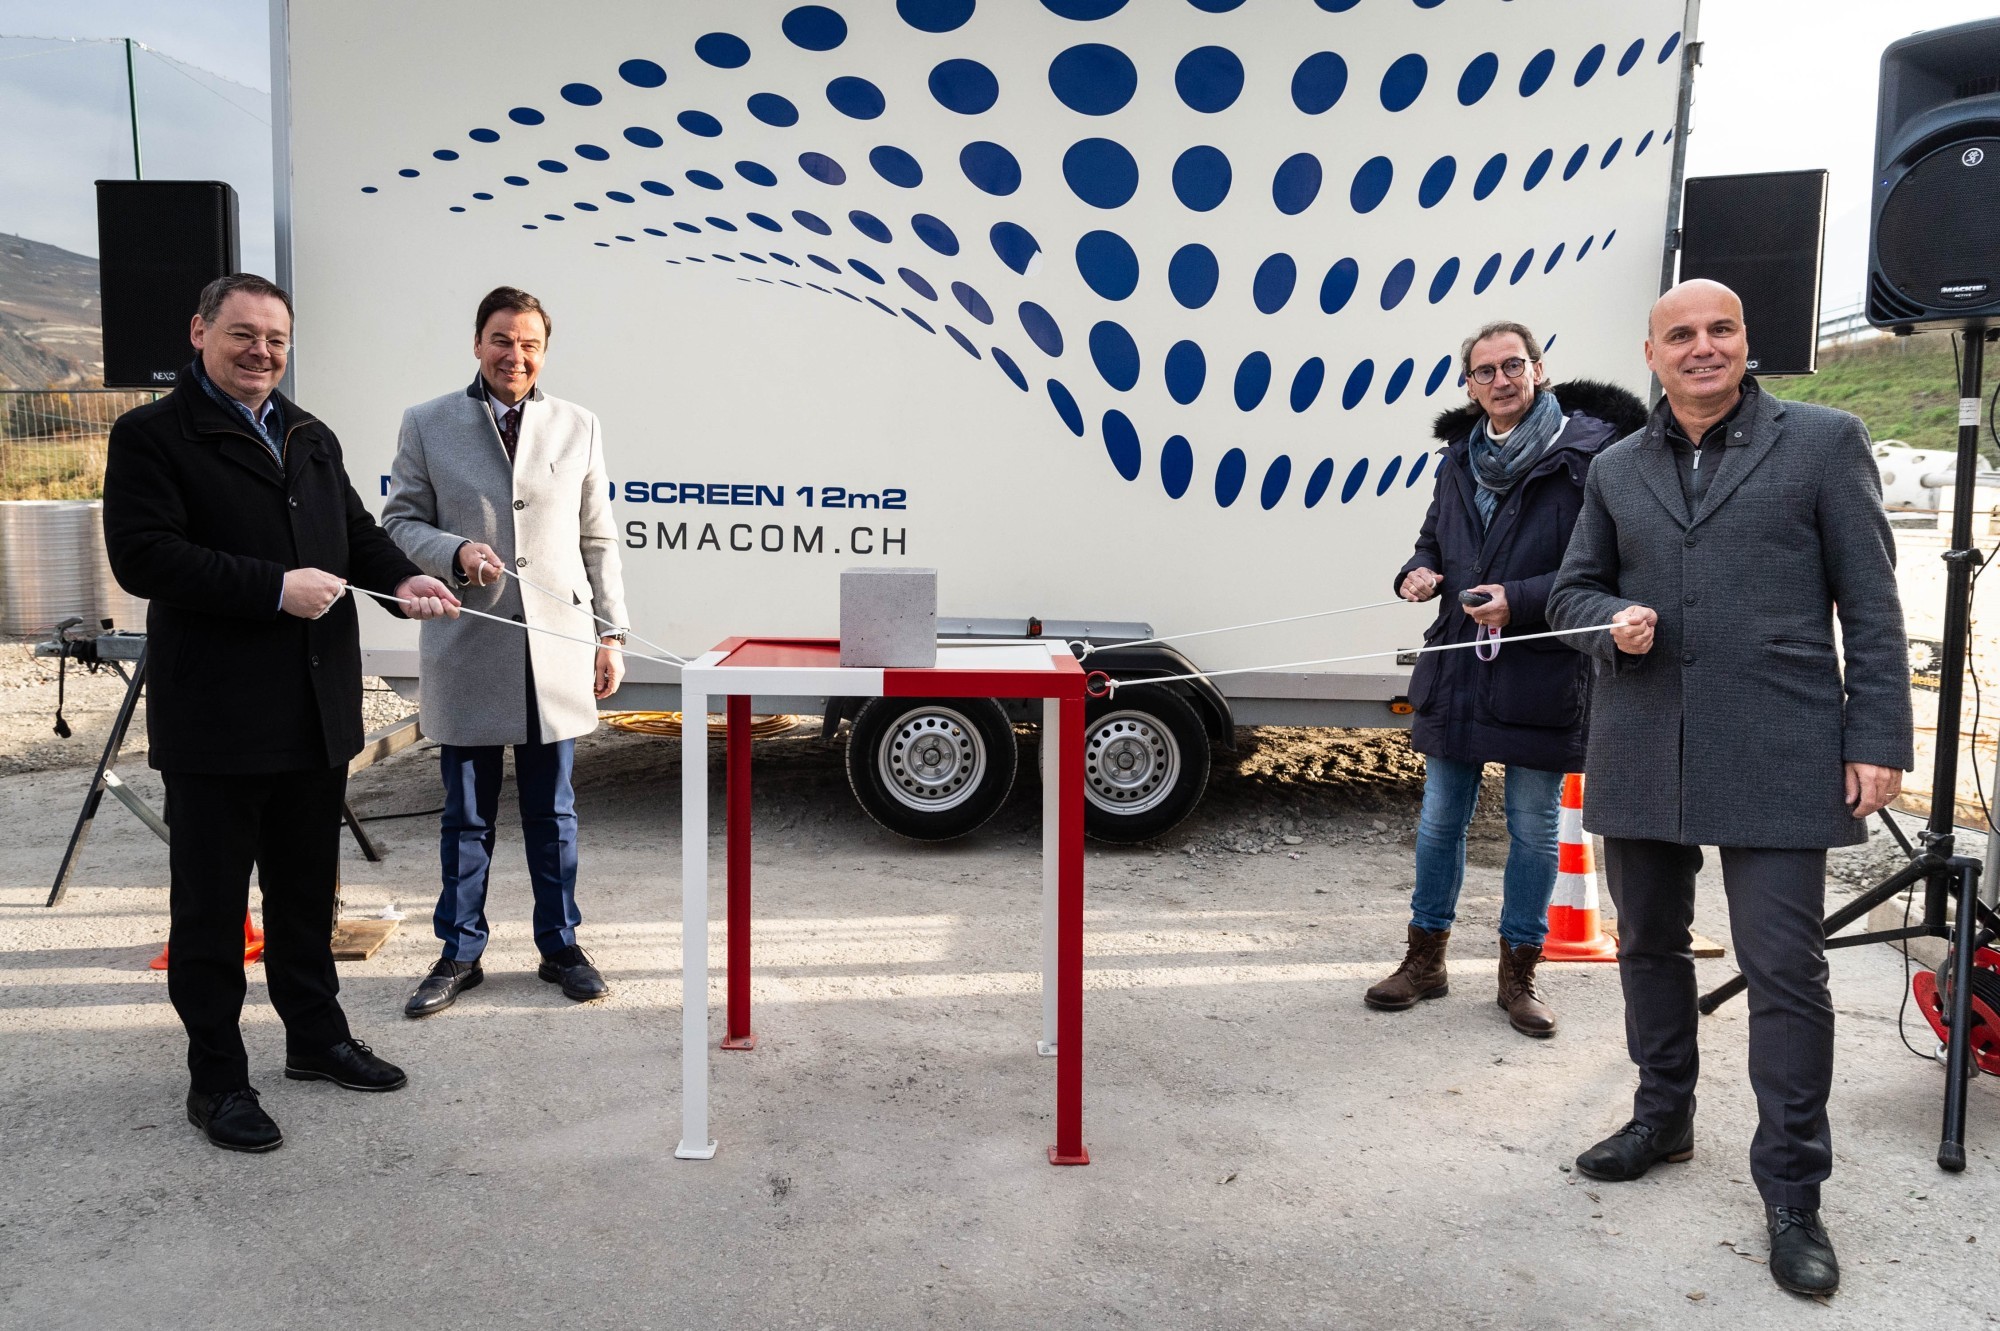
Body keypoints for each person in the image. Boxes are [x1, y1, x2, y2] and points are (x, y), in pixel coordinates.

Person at [1547, 279, 1912, 1297]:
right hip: (1641, 739)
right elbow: (1570, 589)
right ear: (1650, 352)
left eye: (1720, 330)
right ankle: (1661, 1116)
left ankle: (1792, 1189)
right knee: (1648, 946)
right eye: (1680, 335)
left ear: (1745, 342)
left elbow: (1871, 605)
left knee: (1784, 972)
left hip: (1780, 743)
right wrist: (1604, 616)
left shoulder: (1823, 441)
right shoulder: (1614, 468)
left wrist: (1876, 731)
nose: (1701, 348)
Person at [102, 272, 461, 1153]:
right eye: (243, 334)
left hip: (312, 711)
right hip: (218, 721)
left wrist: (401, 579)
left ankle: (317, 1039)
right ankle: (217, 1079)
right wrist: (273, 589)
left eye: (276, 338)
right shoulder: (152, 435)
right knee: (213, 914)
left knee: (306, 899)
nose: (262, 351)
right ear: (199, 332)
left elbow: (355, 532)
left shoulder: (309, 433)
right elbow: (144, 557)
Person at [1373, 321, 1644, 1035]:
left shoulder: (1586, 456)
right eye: (1484, 371)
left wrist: (1517, 600)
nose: (1499, 380)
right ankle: (1424, 962)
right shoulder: (1458, 457)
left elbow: (1601, 564)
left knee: (1533, 829)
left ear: (1539, 369)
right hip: (1459, 660)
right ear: (1468, 384)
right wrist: (1418, 572)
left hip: (1542, 666)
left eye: (1512, 365)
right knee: (1438, 824)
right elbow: (1433, 536)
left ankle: (1519, 976)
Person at [383, 286, 629, 1017]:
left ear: (543, 351)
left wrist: (610, 632)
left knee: (554, 813)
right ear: (477, 342)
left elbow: (597, 537)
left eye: (528, 343)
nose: (513, 354)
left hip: (556, 647)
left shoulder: (577, 425)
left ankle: (561, 946)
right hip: (468, 646)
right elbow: (398, 519)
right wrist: (453, 551)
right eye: (500, 338)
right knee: (465, 814)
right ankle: (459, 950)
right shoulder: (427, 423)